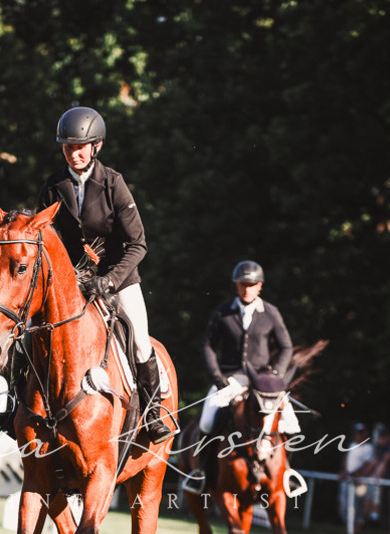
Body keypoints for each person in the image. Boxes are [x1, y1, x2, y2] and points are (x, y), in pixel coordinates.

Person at [17, 105, 169, 444]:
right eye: (68, 147)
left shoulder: (113, 183)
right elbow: (47, 240)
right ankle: (15, 405)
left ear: (95, 147)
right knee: (28, 337)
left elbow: (138, 243)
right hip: (72, 282)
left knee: (140, 341)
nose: (74, 153)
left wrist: (111, 279)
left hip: (119, 279)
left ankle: (153, 412)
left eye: (80, 147)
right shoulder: (53, 187)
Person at [191, 261, 299, 489]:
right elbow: (208, 345)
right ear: (236, 286)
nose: (246, 289)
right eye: (242, 284)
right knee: (208, 419)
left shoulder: (271, 313)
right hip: (231, 378)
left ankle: (288, 472)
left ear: (259, 286)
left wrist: (276, 375)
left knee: (291, 422)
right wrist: (217, 376)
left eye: (251, 285)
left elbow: (286, 347)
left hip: (263, 381)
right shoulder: (223, 312)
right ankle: (201, 474)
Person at [338, 422, 375, 528]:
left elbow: (367, 465)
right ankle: (347, 529)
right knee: (344, 503)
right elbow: (347, 459)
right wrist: (344, 472)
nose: (358, 435)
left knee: (358, 506)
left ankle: (357, 528)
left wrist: (353, 474)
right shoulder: (352, 445)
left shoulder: (368, 448)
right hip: (348, 480)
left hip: (360, 483)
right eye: (357, 433)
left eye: (361, 433)